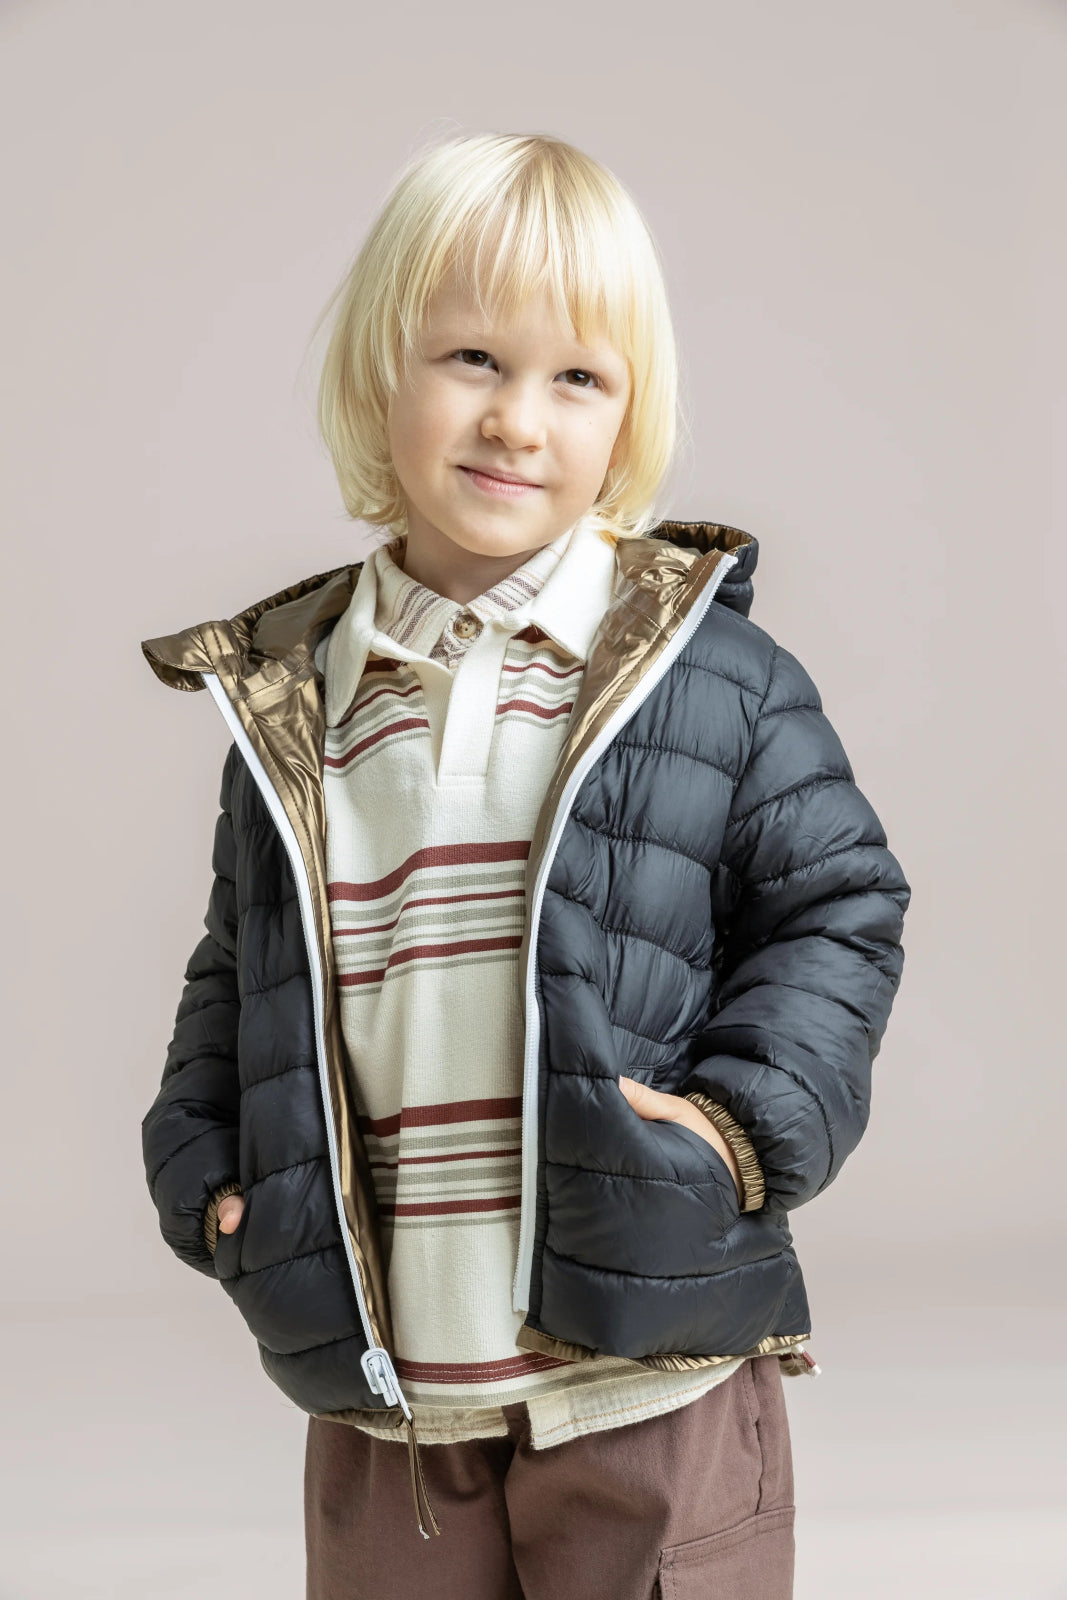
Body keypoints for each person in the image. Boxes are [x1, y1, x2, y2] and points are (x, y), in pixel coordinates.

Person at [140, 131, 910, 1600]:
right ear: (382, 373)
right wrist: (208, 1171)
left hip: (648, 1372)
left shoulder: (710, 676)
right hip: (391, 1391)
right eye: (473, 359)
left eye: (578, 378)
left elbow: (838, 909)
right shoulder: (306, 698)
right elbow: (241, 964)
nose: (516, 419)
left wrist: (741, 1130)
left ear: (631, 415)